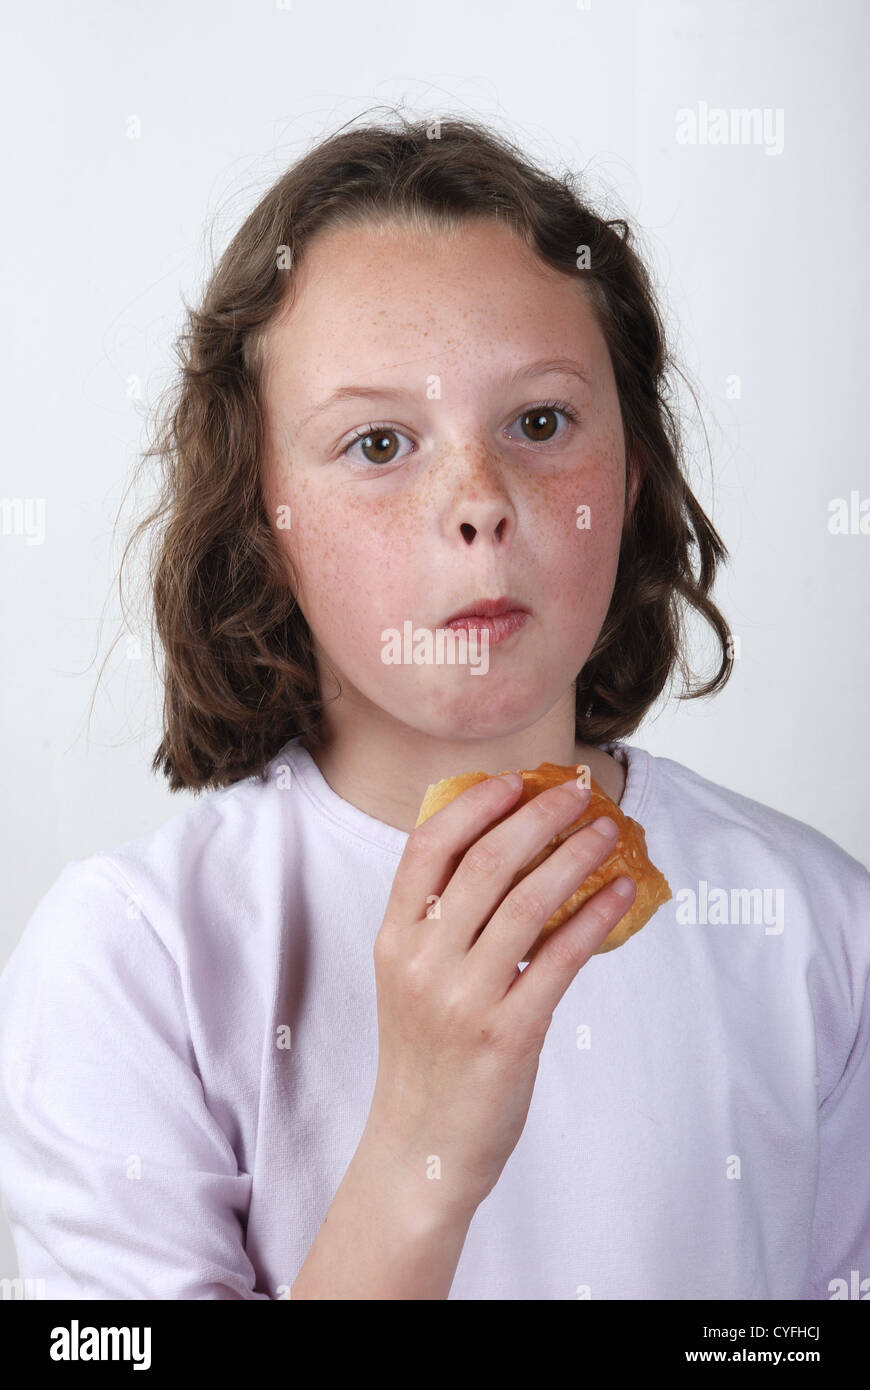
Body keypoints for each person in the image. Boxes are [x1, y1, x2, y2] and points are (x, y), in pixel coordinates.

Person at [0, 114, 867, 1301]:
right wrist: (423, 1152)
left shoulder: (816, 926)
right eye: (377, 441)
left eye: (541, 422)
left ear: (634, 472)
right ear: (258, 516)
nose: (479, 501)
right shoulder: (130, 965)